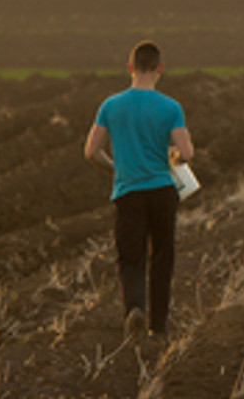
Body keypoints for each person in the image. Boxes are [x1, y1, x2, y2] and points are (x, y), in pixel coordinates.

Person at [84, 40, 195, 341]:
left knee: (130, 257)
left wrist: (115, 168)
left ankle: (134, 307)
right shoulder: (171, 107)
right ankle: (157, 326)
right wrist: (172, 157)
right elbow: (186, 153)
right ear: (160, 69)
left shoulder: (111, 105)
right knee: (162, 256)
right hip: (162, 191)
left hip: (127, 192)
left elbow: (91, 151)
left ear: (130, 67)